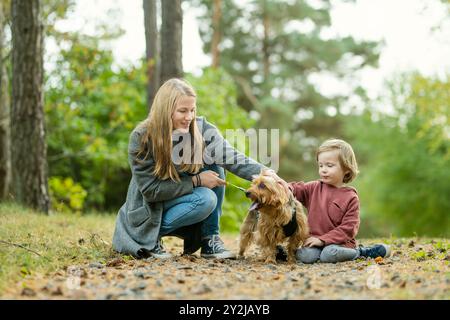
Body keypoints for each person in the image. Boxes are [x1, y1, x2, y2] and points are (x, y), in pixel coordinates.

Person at [112, 78, 270, 260]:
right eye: (183, 111)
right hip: (150, 207)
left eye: (192, 110)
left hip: (180, 204)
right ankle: (150, 238)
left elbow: (232, 157)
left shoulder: (201, 129)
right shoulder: (142, 137)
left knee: (216, 163)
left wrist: (267, 174)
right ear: (166, 110)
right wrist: (197, 181)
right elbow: (150, 191)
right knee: (206, 199)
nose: (189, 117)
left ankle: (210, 239)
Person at [276, 139, 391, 264]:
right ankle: (285, 254)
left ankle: (362, 252)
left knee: (329, 254)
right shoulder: (314, 187)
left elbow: (349, 228)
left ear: (346, 169)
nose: (323, 170)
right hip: (314, 241)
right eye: (321, 165)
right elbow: (296, 189)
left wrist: (323, 240)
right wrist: (283, 186)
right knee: (306, 257)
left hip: (340, 244)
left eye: (329, 166)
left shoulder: (350, 197)